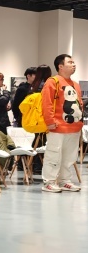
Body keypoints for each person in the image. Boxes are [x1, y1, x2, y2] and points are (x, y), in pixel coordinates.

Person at [41, 54, 84, 193]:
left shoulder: (75, 84)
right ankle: (49, 181)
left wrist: (80, 122)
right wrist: (49, 121)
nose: (74, 64)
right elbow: (46, 103)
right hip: (57, 126)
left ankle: (65, 180)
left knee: (70, 157)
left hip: (74, 127)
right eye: (70, 62)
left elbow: (79, 104)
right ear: (60, 66)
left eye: (74, 62)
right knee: (53, 154)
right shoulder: (52, 82)